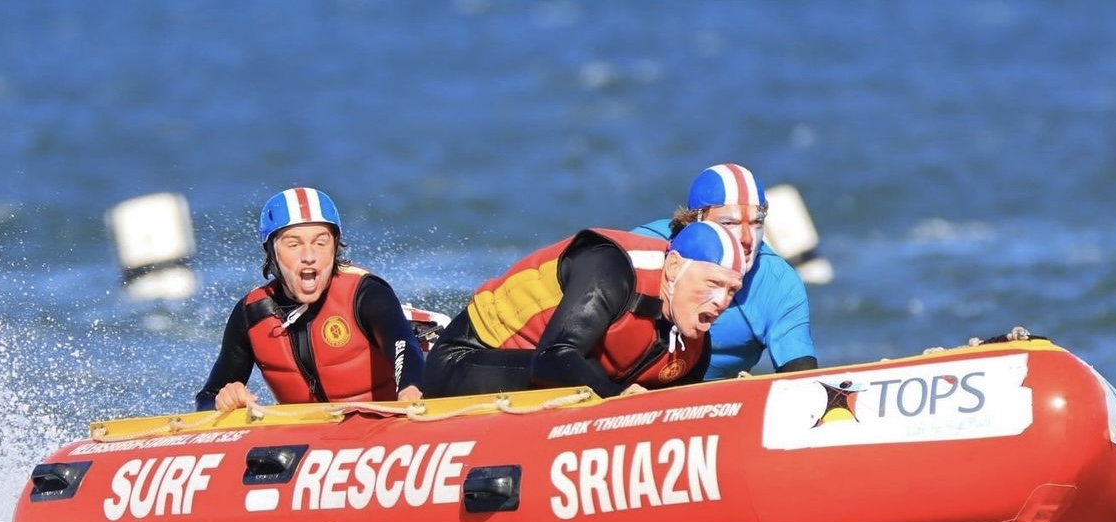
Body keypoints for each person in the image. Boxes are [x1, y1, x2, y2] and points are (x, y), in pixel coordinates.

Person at [422, 221, 747, 399]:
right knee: (573, 375)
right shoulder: (613, 270)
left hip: (560, 374)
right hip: (464, 359)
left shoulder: (692, 345)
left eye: (732, 290)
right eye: (712, 283)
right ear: (674, 267)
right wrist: (616, 396)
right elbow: (553, 360)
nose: (721, 301)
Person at [195, 186, 424, 412]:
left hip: (383, 423)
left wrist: (410, 389)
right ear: (271, 253)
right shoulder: (252, 314)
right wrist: (221, 401)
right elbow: (207, 397)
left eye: (320, 243)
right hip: (314, 437)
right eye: (293, 244)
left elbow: (404, 345)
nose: (309, 257)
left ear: (335, 247)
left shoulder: (366, 293)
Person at [633, 163, 818, 379]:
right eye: (730, 222)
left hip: (718, 403)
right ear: (694, 222)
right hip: (628, 391)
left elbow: (803, 382)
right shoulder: (645, 250)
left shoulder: (779, 283)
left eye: (757, 223)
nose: (747, 239)